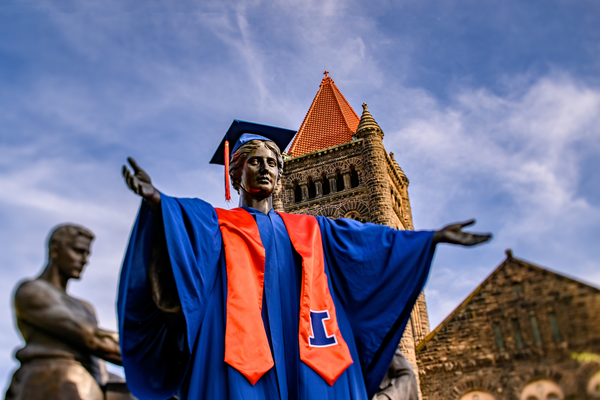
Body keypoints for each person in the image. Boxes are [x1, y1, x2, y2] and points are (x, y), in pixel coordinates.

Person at [118, 121, 490, 400]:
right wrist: (157, 201)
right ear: (236, 171)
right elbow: (181, 229)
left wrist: (430, 238)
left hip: (310, 353)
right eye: (255, 161)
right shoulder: (215, 223)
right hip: (238, 356)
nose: (265, 168)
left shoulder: (312, 229)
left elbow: (370, 242)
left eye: (273, 163)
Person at [5, 224, 122, 400]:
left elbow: (99, 358)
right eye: (78, 251)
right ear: (55, 250)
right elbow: (92, 338)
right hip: (50, 383)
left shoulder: (85, 307)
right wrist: (149, 354)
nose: (84, 260)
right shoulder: (33, 291)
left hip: (89, 386)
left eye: (87, 254)